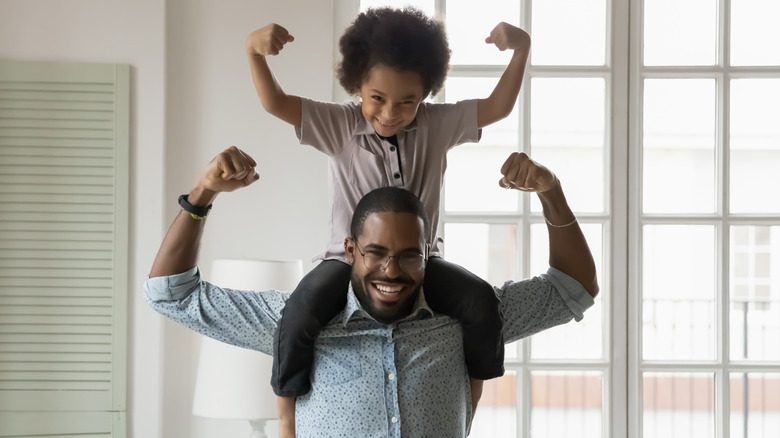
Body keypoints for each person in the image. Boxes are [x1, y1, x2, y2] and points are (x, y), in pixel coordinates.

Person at [144, 146, 599, 437]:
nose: (391, 270)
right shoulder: (297, 319)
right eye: (376, 252)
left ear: (429, 252)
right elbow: (171, 294)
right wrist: (202, 194)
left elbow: (574, 289)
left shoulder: (467, 317)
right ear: (350, 250)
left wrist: (550, 192)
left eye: (407, 255)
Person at [245, 6, 533, 421]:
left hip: (421, 263)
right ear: (357, 84)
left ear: (426, 94)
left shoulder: (437, 125)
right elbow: (275, 102)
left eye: (407, 102)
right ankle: (287, 418)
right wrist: (253, 52)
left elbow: (497, 107)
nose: (390, 113)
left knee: (480, 302)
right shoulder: (339, 125)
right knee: (298, 314)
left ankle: (466, 411)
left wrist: (521, 50)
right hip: (346, 264)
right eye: (376, 98)